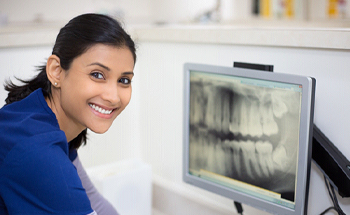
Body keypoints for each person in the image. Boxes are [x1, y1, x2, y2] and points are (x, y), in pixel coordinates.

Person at [0, 13, 136, 215]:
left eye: (124, 80)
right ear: (56, 71)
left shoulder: (39, 115)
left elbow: (95, 202)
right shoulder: (40, 152)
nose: (113, 97)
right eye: (97, 75)